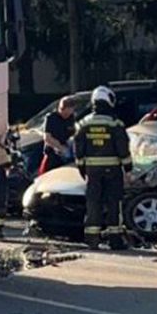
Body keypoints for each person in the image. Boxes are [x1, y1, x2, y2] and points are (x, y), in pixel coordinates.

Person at [71, 85, 131, 248]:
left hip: (92, 170)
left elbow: (78, 148)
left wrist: (81, 167)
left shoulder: (83, 123)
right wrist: (128, 167)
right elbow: (122, 147)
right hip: (113, 170)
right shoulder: (115, 123)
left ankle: (92, 239)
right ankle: (115, 239)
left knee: (93, 202)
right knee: (114, 203)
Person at [39, 96, 77, 173]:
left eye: (70, 113)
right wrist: (60, 148)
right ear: (61, 108)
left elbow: (72, 133)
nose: (67, 115)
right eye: (66, 113)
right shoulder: (51, 118)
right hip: (52, 155)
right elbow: (47, 137)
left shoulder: (71, 118)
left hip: (67, 155)